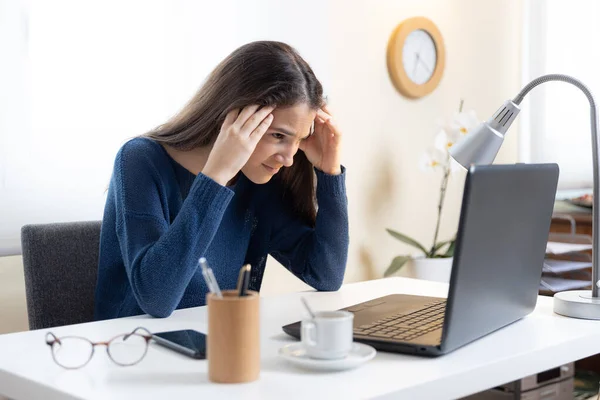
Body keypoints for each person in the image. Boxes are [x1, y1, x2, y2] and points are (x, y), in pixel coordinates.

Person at [94, 41, 349, 320]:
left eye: (299, 139)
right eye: (278, 136)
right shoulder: (140, 160)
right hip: (135, 349)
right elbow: (156, 299)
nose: (288, 158)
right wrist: (216, 176)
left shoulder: (258, 182)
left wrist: (329, 171)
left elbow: (326, 275)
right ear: (234, 117)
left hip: (220, 342)